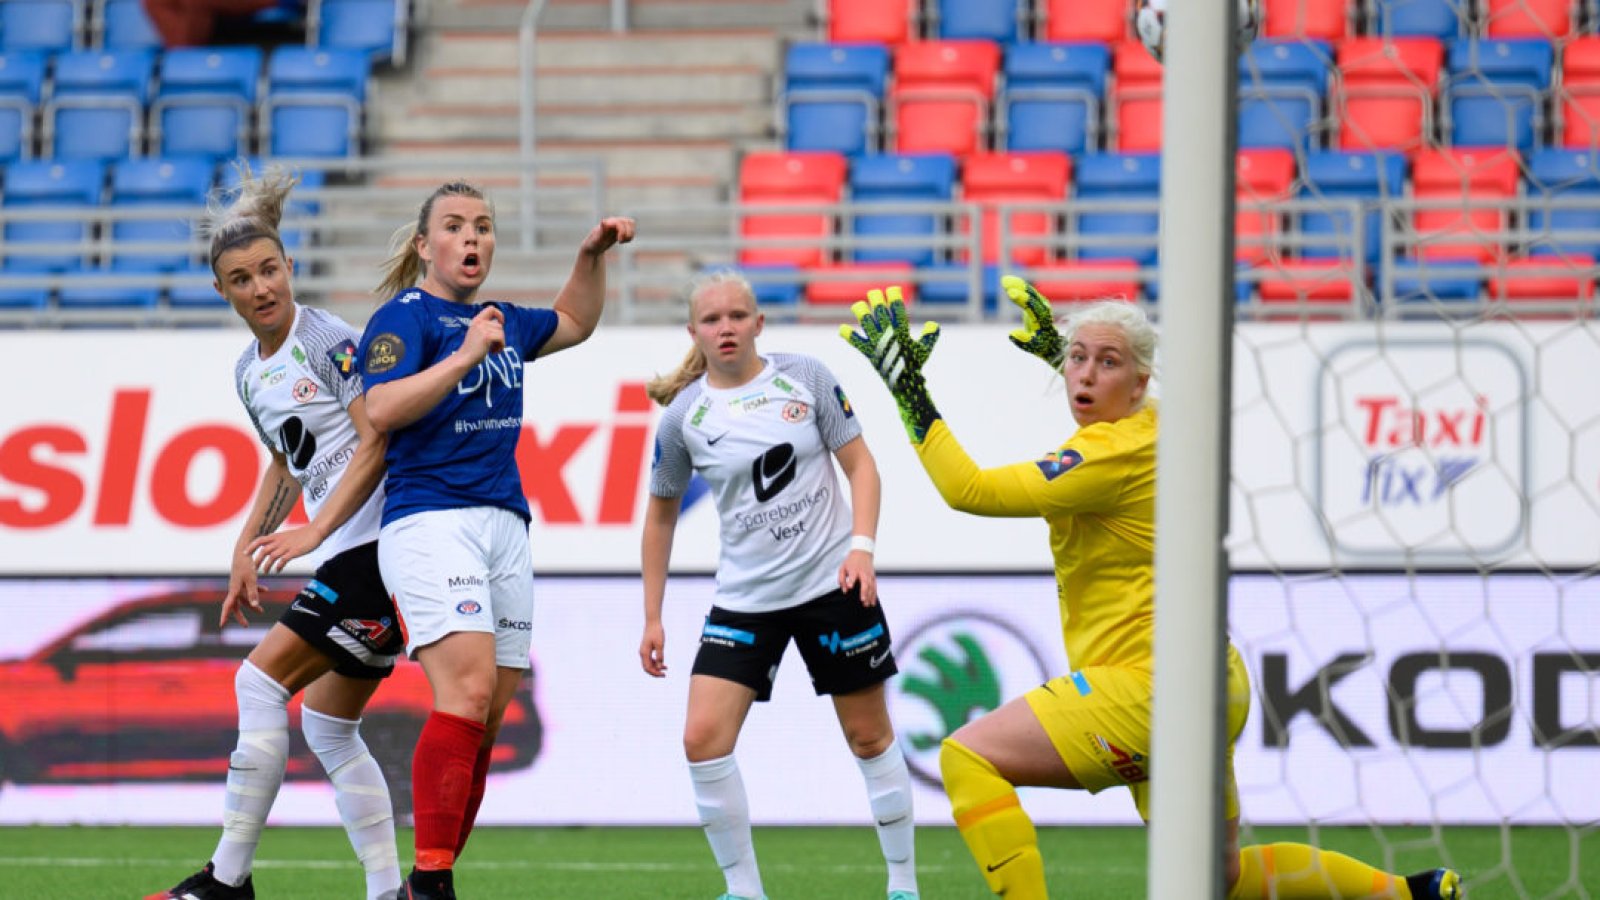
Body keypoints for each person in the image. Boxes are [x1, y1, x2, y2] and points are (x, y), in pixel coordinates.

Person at [839, 279, 1465, 900]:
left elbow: (968, 490)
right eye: (1076, 359)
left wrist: (907, 387)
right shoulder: (1155, 422)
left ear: (1139, 383)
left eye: (1106, 363)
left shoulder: (1107, 456)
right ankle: (1411, 894)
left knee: (968, 757)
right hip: (1211, 680)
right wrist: (1080, 354)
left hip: (1151, 688)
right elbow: (1111, 388)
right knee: (1219, 877)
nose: (1083, 375)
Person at [357, 180, 634, 900]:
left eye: (483, 226)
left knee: (489, 715)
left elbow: (574, 319)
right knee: (468, 690)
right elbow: (380, 408)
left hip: (504, 523)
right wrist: (464, 356)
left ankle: (430, 877)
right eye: (454, 227)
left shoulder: (502, 318)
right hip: (430, 519)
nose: (472, 238)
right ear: (425, 247)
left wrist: (589, 255)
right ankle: (431, 880)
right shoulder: (405, 317)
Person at [149, 165, 404, 900]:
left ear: (291, 267)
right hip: (349, 545)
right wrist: (244, 546)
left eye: (269, 270)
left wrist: (313, 529)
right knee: (328, 728)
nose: (261, 288)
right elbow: (287, 460)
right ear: (222, 291)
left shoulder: (328, 340)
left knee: (256, 681)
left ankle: (228, 880)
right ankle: (388, 892)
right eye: (242, 279)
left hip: (377, 546)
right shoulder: (249, 371)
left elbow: (377, 439)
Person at [639, 271, 920, 900]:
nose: (727, 327)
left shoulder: (807, 377)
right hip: (746, 600)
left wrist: (863, 550)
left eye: (738, 315)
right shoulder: (685, 417)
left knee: (869, 736)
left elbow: (862, 467)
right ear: (694, 333)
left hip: (833, 585)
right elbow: (660, 515)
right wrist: (652, 615)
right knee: (701, 740)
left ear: (759, 322)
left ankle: (903, 884)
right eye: (712, 320)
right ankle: (744, 891)